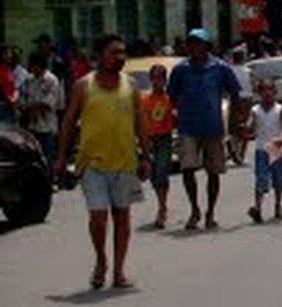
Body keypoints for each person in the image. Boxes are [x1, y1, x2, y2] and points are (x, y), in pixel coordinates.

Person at [54, 34, 150, 290]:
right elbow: (68, 124)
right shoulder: (83, 86)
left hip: (125, 162)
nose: (120, 57)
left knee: (122, 217)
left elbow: (141, 124)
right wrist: (61, 157)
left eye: (122, 52)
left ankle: (119, 272)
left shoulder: (130, 85)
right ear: (99, 56)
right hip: (92, 164)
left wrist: (145, 157)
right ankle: (101, 260)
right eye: (114, 52)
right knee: (98, 218)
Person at [168, 28, 243, 230]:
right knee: (188, 169)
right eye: (190, 43)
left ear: (206, 46)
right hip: (187, 127)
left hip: (213, 127)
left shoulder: (220, 68)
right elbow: (172, 95)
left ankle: (210, 212)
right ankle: (194, 210)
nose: (194, 47)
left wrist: (236, 122)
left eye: (198, 43)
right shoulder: (180, 69)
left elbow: (235, 93)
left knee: (214, 172)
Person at [247, 79, 282, 223]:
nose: (267, 93)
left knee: (278, 180)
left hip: (275, 147)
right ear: (259, 93)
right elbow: (250, 124)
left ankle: (278, 205)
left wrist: (281, 136)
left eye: (270, 89)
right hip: (261, 149)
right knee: (261, 179)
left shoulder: (280, 109)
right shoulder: (255, 110)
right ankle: (258, 208)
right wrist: (246, 128)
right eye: (264, 90)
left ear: (275, 92)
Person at [140, 64, 175, 229]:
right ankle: (162, 202)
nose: (157, 82)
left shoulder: (170, 99)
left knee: (162, 171)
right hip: (149, 140)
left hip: (164, 139)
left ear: (165, 80)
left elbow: (177, 117)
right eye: (154, 78)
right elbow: (141, 122)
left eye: (160, 79)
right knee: (154, 175)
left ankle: (162, 208)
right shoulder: (145, 100)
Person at [20, 52, 62, 166]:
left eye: (33, 66)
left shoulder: (51, 80)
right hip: (32, 126)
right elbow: (23, 98)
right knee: (33, 159)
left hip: (47, 127)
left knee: (47, 159)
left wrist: (29, 106)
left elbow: (48, 104)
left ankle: (49, 181)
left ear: (39, 66)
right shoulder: (29, 79)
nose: (31, 68)